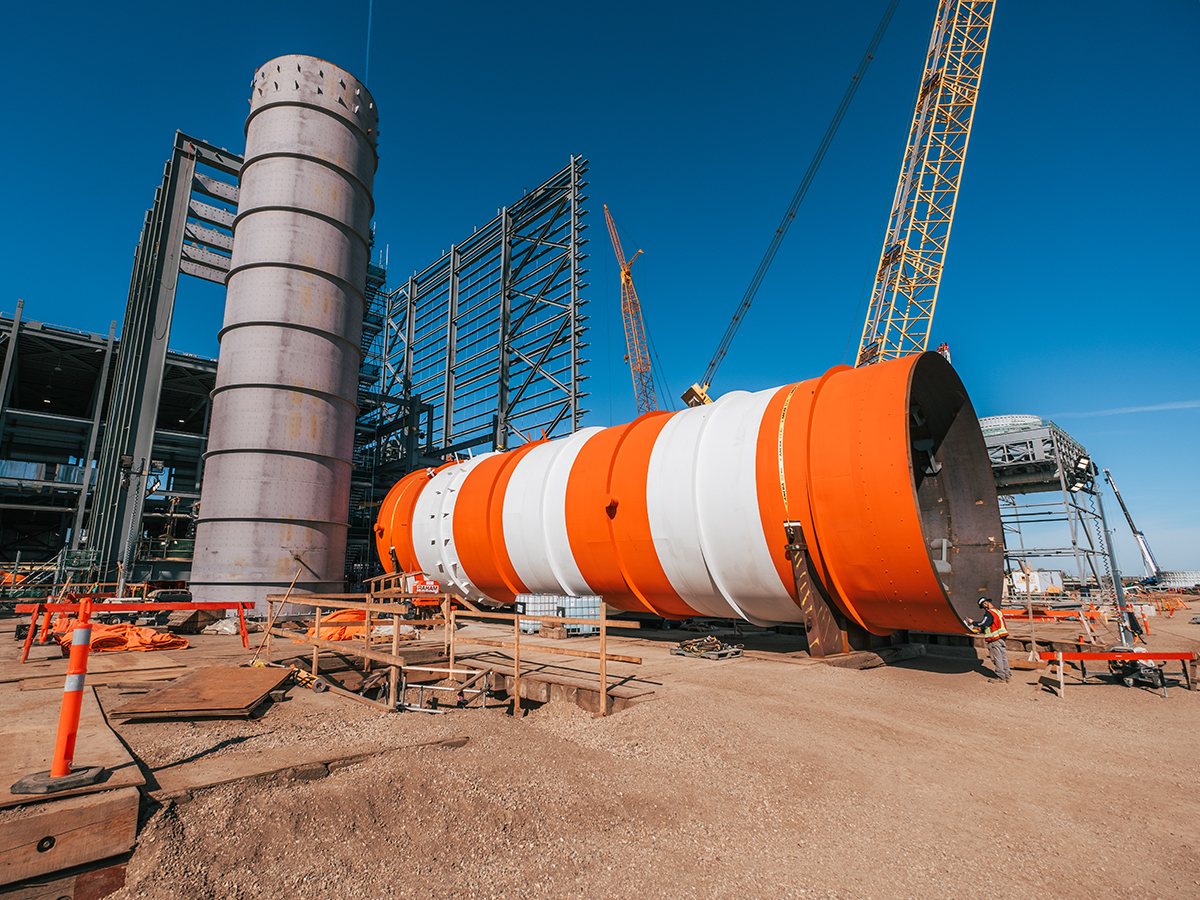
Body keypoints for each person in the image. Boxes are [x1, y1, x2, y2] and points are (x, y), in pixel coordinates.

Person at [969, 597, 1010, 682]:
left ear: (985, 604)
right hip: (1001, 638)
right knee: (1003, 657)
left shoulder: (989, 613)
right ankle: (1007, 675)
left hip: (994, 639)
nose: (984, 609)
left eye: (983, 607)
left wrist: (972, 622)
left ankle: (1000, 676)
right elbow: (993, 624)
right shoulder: (997, 611)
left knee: (997, 658)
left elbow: (983, 623)